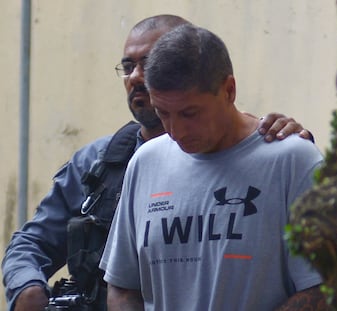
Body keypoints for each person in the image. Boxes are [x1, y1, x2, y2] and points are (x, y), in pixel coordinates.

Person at [1, 15, 314, 311]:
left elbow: (328, 285)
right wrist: (27, 289)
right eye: (128, 66)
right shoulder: (107, 163)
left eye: (148, 62)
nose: (136, 76)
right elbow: (41, 248)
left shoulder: (283, 153)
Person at [100, 23, 327, 311]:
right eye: (163, 113)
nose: (176, 131)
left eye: (190, 113)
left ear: (229, 90)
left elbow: (326, 288)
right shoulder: (145, 163)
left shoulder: (293, 161)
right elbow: (122, 287)